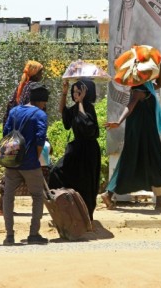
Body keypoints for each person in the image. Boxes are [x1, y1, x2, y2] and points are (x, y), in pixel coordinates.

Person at [102, 73, 161, 212]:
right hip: (143, 133)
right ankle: (159, 203)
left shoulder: (147, 86)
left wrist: (158, 67)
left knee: (133, 161)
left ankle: (108, 194)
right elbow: (131, 105)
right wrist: (119, 121)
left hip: (144, 132)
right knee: (153, 162)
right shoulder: (139, 88)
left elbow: (159, 83)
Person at [1, 83, 50, 245]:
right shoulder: (40, 115)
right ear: (42, 101)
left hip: (12, 162)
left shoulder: (15, 111)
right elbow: (40, 139)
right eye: (45, 102)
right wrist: (34, 158)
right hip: (30, 164)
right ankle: (33, 234)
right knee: (37, 196)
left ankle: (9, 236)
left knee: (8, 197)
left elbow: (6, 133)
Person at [0, 60, 44, 215]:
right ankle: (2, 205)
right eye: (41, 72)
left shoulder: (22, 87)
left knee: (14, 168)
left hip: (14, 133)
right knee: (22, 168)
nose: (43, 75)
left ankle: (2, 204)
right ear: (35, 73)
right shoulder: (31, 88)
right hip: (25, 135)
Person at [49, 79, 101, 222]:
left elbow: (88, 126)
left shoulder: (89, 108)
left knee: (86, 183)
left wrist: (81, 104)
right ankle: (67, 209)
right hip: (76, 149)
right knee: (56, 172)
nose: (75, 94)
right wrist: (64, 93)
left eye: (79, 92)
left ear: (86, 93)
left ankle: (87, 216)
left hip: (89, 151)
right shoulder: (74, 108)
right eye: (74, 91)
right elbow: (64, 114)